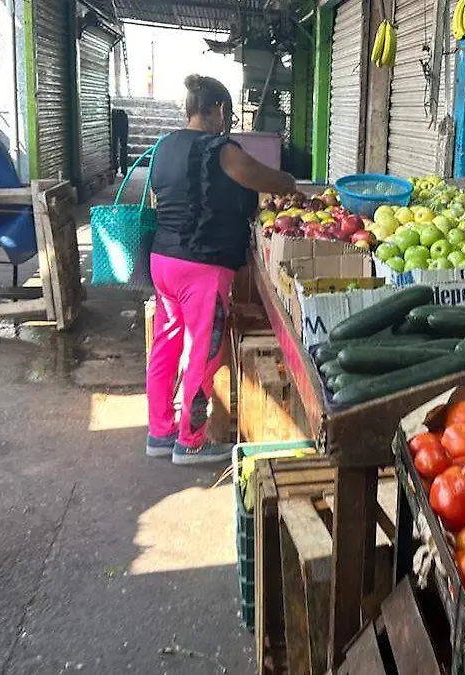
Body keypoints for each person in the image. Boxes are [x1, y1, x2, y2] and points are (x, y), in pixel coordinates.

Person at [145, 75, 295, 465]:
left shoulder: (163, 147)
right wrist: (289, 183)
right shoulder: (221, 150)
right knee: (203, 351)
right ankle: (191, 441)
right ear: (220, 111)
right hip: (201, 267)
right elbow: (267, 178)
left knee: (167, 344)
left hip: (162, 261)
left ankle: (159, 431)